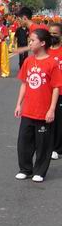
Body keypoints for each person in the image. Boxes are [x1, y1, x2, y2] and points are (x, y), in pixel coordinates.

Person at [14, 29, 62, 183]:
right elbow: (24, 84)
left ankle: (39, 171)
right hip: (28, 110)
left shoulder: (52, 63)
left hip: (43, 112)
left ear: (42, 43)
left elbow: (56, 87)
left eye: (32, 40)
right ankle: (25, 169)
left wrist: (51, 110)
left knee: (43, 144)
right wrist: (19, 104)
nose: (30, 43)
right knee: (24, 143)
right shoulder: (28, 61)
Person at [48, 24, 62, 160]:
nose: (52, 36)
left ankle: (56, 148)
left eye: (55, 34)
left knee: (58, 120)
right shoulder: (44, 51)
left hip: (60, 92)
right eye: (50, 33)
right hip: (46, 92)